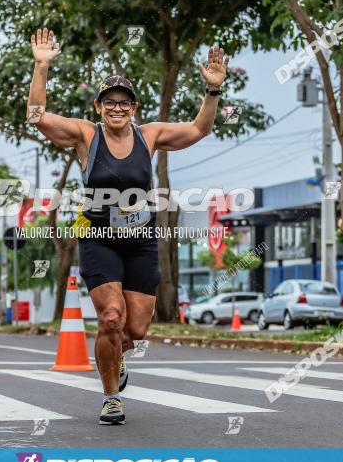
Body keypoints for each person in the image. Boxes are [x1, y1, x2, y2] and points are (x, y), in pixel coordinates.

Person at [27, 28, 229, 424]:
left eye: (124, 102)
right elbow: (36, 116)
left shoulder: (149, 136)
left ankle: (117, 359)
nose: (116, 108)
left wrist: (212, 91)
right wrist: (41, 66)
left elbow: (199, 130)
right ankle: (110, 397)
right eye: (109, 102)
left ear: (134, 107)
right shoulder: (85, 136)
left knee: (134, 331)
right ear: (99, 106)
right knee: (111, 317)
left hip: (140, 241)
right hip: (98, 237)